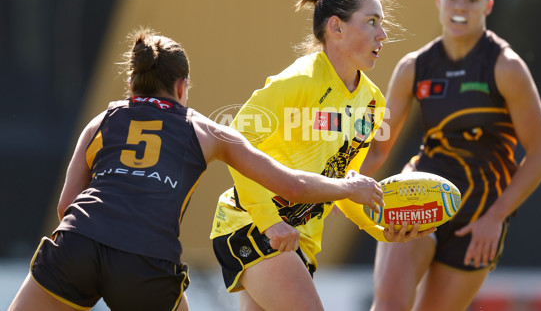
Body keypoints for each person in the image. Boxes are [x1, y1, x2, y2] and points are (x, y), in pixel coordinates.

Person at [8, 28, 389, 311]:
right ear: (182, 86)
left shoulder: (102, 121)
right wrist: (348, 189)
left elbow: (65, 207)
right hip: (145, 257)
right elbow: (292, 185)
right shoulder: (205, 130)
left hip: (79, 241)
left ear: (131, 84)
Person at [209, 0, 436, 311]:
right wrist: (270, 222)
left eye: (382, 24)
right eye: (371, 22)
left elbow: (346, 184)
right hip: (253, 224)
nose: (382, 34)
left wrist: (379, 228)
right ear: (336, 27)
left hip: (300, 239)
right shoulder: (298, 82)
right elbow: (231, 145)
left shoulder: (371, 102)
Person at [361, 0, 541, 311]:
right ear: (439, 0)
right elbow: (379, 149)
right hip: (419, 195)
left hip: (480, 215)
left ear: (488, 5)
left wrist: (496, 216)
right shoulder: (413, 67)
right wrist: (340, 186)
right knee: (388, 307)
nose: (460, 7)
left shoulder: (506, 67)